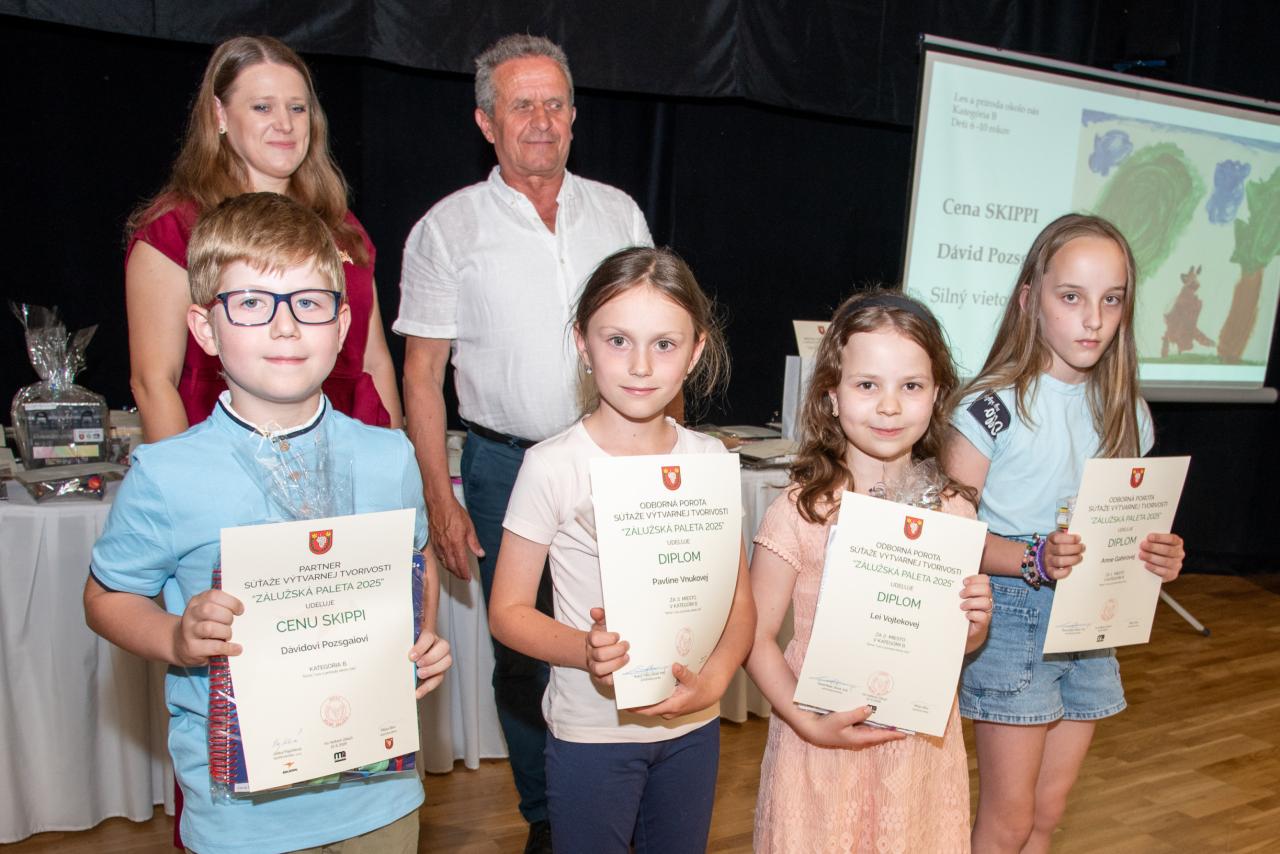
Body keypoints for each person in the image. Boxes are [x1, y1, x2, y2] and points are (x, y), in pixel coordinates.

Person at [84, 193, 452, 854]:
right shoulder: (168, 473)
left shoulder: (389, 456)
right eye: (252, 303)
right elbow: (106, 597)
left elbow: (414, 562)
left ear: (341, 325)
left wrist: (420, 639)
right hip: (242, 818)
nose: (286, 327)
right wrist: (176, 637)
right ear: (204, 329)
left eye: (310, 303)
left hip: (380, 796)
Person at [394, 33, 651, 849]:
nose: (540, 120)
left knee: (629, 628)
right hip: (504, 466)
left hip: (617, 458)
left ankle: (625, 789)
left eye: (554, 104)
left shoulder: (620, 213)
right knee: (524, 653)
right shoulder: (446, 230)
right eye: (521, 105)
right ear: (487, 122)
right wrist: (440, 500)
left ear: (574, 116)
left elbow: (657, 332)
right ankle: (548, 816)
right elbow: (421, 378)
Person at [487, 247, 754, 852]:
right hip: (593, 732)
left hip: (692, 726)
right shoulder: (552, 466)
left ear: (695, 351)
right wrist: (584, 650)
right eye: (617, 341)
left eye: (664, 344)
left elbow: (739, 603)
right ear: (583, 344)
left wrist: (714, 680)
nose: (640, 365)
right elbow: (507, 611)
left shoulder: (709, 459)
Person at [945, 213, 1187, 853]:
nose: (1093, 320)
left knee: (1047, 815)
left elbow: (1128, 530)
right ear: (1030, 299)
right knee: (1009, 820)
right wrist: (1035, 558)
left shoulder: (1128, 412)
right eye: (1072, 297)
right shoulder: (989, 409)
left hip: (1092, 622)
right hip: (1012, 618)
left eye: (1112, 300)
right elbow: (953, 539)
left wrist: (1157, 555)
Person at [744, 290, 994, 852]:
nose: (889, 407)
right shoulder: (802, 510)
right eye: (867, 385)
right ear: (831, 394)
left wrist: (974, 623)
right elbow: (754, 637)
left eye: (911, 386)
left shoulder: (954, 513)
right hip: (817, 741)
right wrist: (806, 721)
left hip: (916, 754)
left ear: (938, 395)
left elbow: (954, 643)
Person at [126, 35, 401, 443]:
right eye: (262, 107)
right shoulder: (175, 230)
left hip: (345, 453)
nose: (285, 124)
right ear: (219, 114)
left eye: (297, 108)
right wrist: (185, 475)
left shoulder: (342, 226)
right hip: (227, 456)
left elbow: (374, 362)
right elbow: (153, 382)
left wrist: (396, 461)